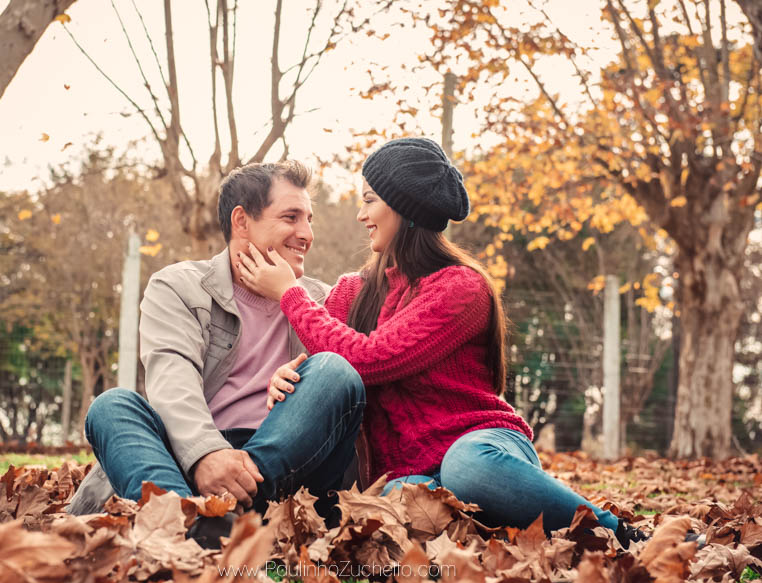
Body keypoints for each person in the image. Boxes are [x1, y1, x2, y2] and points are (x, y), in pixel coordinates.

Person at [237, 138, 646, 548]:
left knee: (466, 468)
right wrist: (294, 373)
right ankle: (497, 528)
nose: (362, 215)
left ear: (404, 206)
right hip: (406, 474)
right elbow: (336, 362)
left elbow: (373, 358)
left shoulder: (461, 288)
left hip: (482, 446)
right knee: (395, 509)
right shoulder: (351, 292)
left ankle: (619, 533)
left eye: (370, 200)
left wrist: (290, 294)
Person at [67, 161, 366, 547]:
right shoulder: (178, 286)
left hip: (284, 471)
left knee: (335, 372)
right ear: (241, 221)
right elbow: (172, 384)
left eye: (309, 219)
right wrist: (206, 454)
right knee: (112, 406)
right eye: (291, 217)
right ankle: (188, 519)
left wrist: (293, 301)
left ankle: (211, 520)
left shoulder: (322, 300)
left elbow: (353, 387)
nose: (306, 234)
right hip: (186, 458)